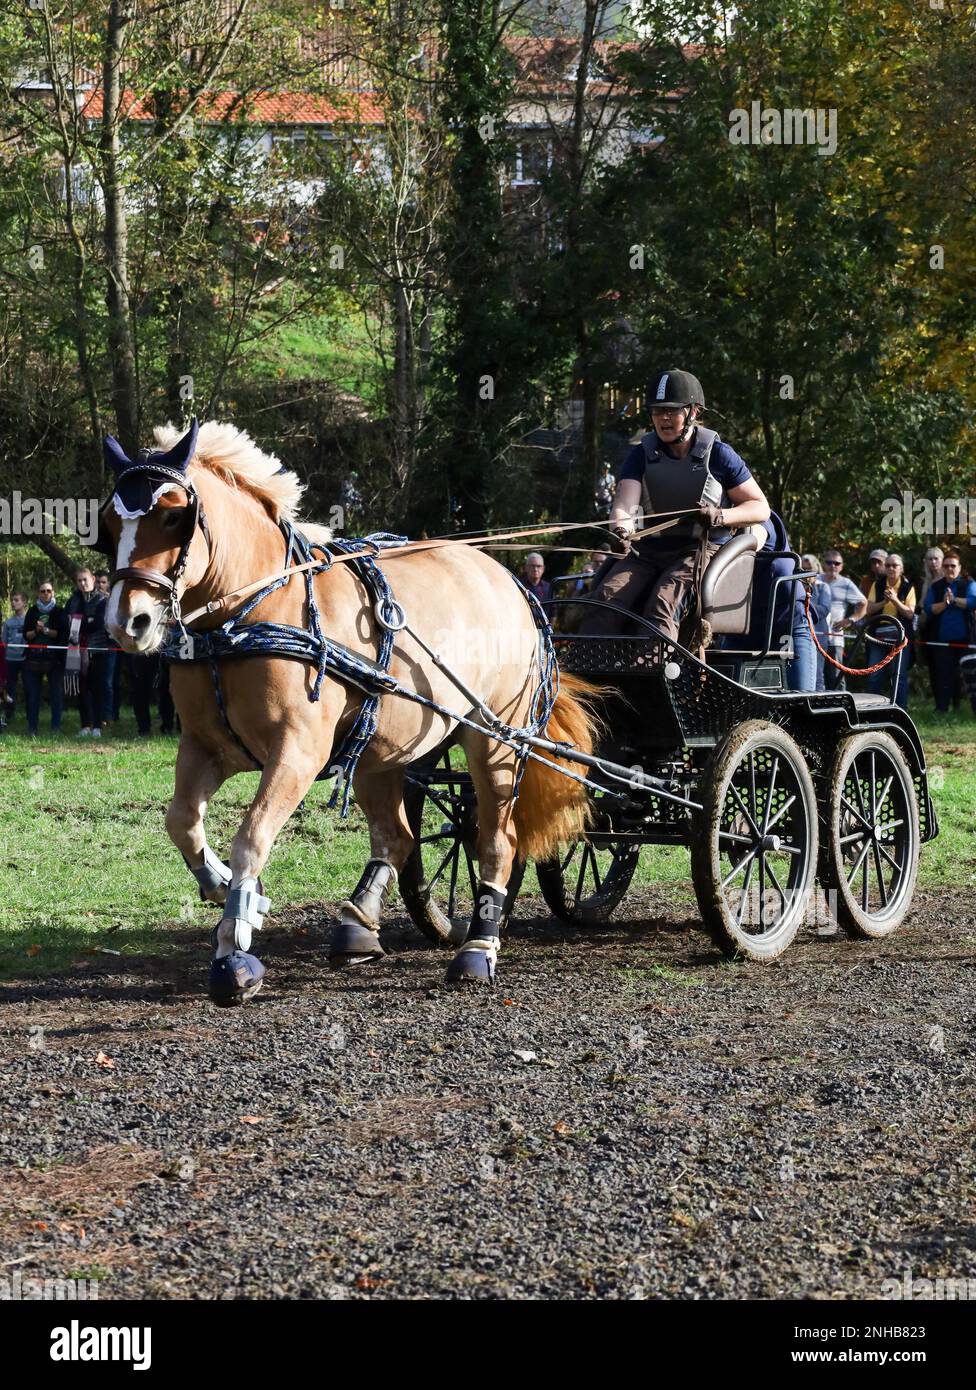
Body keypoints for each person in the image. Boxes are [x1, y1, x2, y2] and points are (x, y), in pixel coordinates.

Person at [582, 368, 770, 645]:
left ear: (693, 412)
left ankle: (655, 679)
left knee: (664, 600)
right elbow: (624, 504)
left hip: (701, 551)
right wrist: (621, 531)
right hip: (648, 550)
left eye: (672, 410)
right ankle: (587, 680)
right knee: (605, 600)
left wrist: (720, 516)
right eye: (657, 411)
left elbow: (759, 507)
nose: (663, 418)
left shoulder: (720, 455)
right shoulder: (641, 454)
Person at [924, 547, 976, 715]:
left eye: (953, 566)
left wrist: (953, 600)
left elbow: (972, 602)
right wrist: (945, 604)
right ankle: (942, 709)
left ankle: (963, 707)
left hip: (965, 639)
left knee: (967, 676)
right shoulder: (936, 586)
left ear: (959, 567)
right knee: (943, 675)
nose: (949, 569)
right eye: (946, 566)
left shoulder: (968, 583)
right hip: (941, 639)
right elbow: (929, 608)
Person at [864, 553, 916, 710]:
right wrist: (884, 602)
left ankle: (900, 709)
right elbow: (869, 609)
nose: (891, 568)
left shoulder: (908, 587)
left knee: (899, 675)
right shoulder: (877, 584)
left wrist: (894, 600)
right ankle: (873, 709)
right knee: (874, 674)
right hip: (878, 636)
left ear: (902, 569)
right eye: (888, 565)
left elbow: (909, 613)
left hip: (900, 637)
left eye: (895, 565)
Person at [64, 566, 108, 737]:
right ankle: (85, 725)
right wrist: (84, 621)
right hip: (76, 651)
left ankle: (97, 725)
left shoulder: (102, 600)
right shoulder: (73, 600)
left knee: (97, 688)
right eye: (79, 581)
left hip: (96, 650)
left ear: (93, 580)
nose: (83, 583)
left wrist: (79, 623)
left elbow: (98, 624)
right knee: (81, 689)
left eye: (85, 580)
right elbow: (66, 621)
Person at [22, 580, 67, 736]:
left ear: (53, 592)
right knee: (33, 695)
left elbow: (62, 634)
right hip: (33, 658)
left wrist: (45, 630)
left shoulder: (59, 611)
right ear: (38, 594)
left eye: (48, 590)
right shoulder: (32, 611)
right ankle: (32, 728)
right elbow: (26, 635)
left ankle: (55, 728)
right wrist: (36, 630)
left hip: (54, 659)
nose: (46, 593)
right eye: (43, 591)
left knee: (56, 694)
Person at [821, 550, 867, 691]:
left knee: (836, 676)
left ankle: (842, 708)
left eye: (837, 563)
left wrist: (850, 620)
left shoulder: (846, 583)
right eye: (829, 562)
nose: (833, 566)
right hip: (815, 636)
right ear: (823, 564)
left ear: (841, 566)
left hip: (835, 638)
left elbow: (863, 603)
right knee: (817, 676)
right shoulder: (816, 579)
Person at [915, 546, 946, 707]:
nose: (933, 562)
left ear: (942, 560)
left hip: (944, 627)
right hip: (928, 628)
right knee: (932, 666)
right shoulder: (923, 582)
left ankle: (948, 703)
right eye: (930, 559)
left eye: (936, 559)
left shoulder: (948, 581)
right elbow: (920, 607)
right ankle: (937, 703)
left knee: (945, 667)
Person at [799, 555, 832, 692]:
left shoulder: (823, 587)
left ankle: (819, 706)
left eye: (809, 568)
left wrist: (804, 604)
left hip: (818, 635)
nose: (806, 571)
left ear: (816, 569)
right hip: (799, 634)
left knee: (817, 673)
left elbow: (824, 610)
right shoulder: (796, 585)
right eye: (803, 568)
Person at [2, 590, 28, 724]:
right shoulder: (8, 623)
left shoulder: (29, 620)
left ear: (24, 602)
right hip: (10, 659)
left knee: (29, 686)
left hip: (25, 659)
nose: (13, 602)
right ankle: (9, 716)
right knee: (10, 688)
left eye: (16, 600)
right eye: (12, 600)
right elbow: (4, 642)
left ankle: (30, 716)